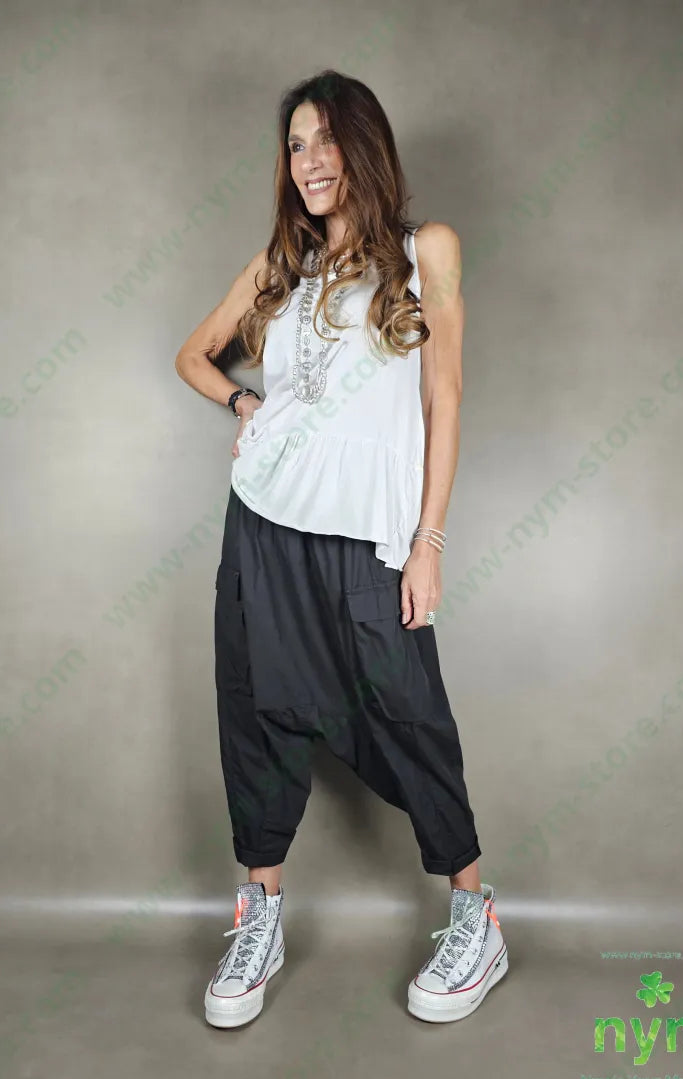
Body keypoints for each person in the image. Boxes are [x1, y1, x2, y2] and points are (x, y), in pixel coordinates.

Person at [174, 69, 508, 1030]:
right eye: (294, 145)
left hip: (370, 531)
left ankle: (475, 917)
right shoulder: (280, 265)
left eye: (323, 139)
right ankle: (260, 917)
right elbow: (193, 355)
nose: (308, 161)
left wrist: (427, 541)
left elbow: (445, 398)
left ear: (362, 146)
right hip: (264, 521)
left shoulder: (425, 250)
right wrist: (246, 402)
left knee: (405, 707)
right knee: (257, 706)